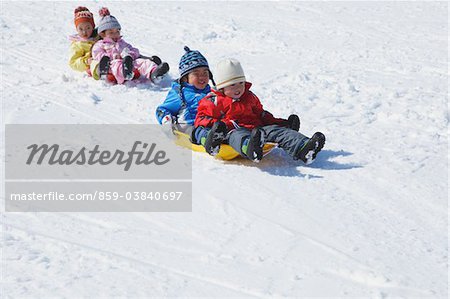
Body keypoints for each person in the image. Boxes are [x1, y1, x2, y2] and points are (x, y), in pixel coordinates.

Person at [194, 59, 325, 164]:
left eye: (241, 83)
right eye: (232, 84)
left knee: (276, 131)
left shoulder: (249, 97)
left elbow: (261, 114)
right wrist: (220, 126)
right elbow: (200, 120)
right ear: (222, 87)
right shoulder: (214, 101)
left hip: (257, 130)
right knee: (237, 136)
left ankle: (303, 148)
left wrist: (281, 123)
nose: (238, 88)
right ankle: (250, 148)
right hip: (233, 131)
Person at [91, 7, 169, 84]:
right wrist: (112, 56)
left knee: (141, 62)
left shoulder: (122, 42)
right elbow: (97, 54)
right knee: (116, 65)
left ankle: (155, 74)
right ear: (102, 34)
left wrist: (129, 55)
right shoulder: (100, 44)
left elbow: (135, 51)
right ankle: (126, 72)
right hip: (112, 66)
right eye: (111, 32)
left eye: (117, 32)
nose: (115, 35)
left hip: (128, 63)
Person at [156, 46, 214, 135]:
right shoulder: (180, 94)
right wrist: (166, 120)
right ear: (185, 79)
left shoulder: (212, 92)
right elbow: (162, 109)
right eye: (196, 74)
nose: (202, 77)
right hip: (191, 128)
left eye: (205, 73)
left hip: (211, 125)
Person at [68, 6, 100, 78]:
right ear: (76, 29)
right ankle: (100, 69)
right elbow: (73, 63)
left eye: (88, 28)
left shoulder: (99, 37)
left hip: (105, 58)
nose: (84, 32)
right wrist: (85, 61)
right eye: (81, 29)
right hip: (91, 65)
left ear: (93, 27)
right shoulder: (77, 44)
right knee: (95, 64)